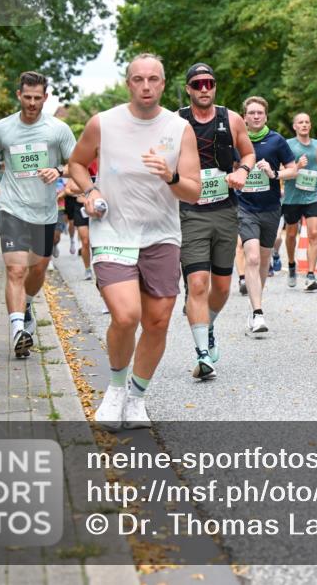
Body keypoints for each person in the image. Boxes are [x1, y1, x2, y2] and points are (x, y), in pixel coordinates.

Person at [68, 53, 200, 430]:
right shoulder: (103, 122)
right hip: (113, 231)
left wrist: (171, 176)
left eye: (153, 79)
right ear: (128, 84)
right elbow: (76, 164)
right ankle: (115, 390)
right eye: (138, 79)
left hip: (161, 235)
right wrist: (91, 191)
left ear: (163, 84)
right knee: (126, 316)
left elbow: (192, 192)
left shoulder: (179, 128)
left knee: (157, 321)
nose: (146, 86)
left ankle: (137, 397)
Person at [0, 73, 75, 358]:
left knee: (38, 269)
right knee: (16, 270)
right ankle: (18, 329)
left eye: (37, 98)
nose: (32, 103)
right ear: (18, 95)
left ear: (46, 97)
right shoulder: (2, 129)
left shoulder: (58, 130)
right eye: (27, 97)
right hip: (12, 208)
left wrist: (58, 170)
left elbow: (77, 164)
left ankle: (28, 304)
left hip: (44, 212)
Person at [177, 63, 255, 379]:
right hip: (190, 212)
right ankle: (202, 354)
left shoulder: (231, 119)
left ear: (215, 86)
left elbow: (248, 154)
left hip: (224, 210)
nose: (204, 88)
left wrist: (242, 171)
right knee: (197, 282)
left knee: (221, 287)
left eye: (209, 83)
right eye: (197, 84)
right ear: (188, 89)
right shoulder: (175, 122)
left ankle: (208, 325)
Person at [236, 96, 296, 338]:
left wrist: (275, 174)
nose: (256, 116)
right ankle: (258, 312)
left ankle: (254, 306)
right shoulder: (237, 141)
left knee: (262, 261)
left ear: (266, 116)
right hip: (244, 208)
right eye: (251, 112)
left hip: (270, 208)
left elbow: (293, 170)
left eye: (260, 112)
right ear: (244, 117)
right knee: (251, 257)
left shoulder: (276, 140)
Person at [282, 112, 317, 291]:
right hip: (293, 196)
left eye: (307, 122)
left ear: (310, 125)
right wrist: (297, 167)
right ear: (295, 126)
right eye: (300, 122)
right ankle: (292, 265)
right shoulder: (287, 145)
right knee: (291, 234)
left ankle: (310, 274)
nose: (304, 125)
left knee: (314, 233)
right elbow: (281, 170)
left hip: (314, 195)